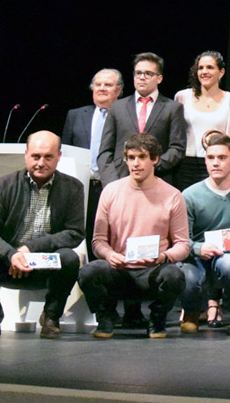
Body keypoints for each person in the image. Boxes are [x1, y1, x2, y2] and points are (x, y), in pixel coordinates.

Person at [80, 133, 191, 338]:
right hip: (119, 270)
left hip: (152, 271)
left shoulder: (172, 195)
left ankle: (157, 318)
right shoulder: (111, 191)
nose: (135, 163)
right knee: (89, 272)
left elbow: (183, 244)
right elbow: (98, 241)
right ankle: (104, 317)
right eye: (131, 158)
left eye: (141, 157)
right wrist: (110, 254)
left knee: (174, 276)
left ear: (155, 159)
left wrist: (163, 257)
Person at [0, 131, 84, 339]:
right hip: (7, 261)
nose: (41, 163)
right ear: (26, 154)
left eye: (48, 157)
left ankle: (51, 317)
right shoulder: (4, 184)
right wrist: (11, 254)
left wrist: (31, 248)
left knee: (69, 258)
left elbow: (75, 233)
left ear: (59, 157)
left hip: (44, 260)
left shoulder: (73, 187)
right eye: (36, 156)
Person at [177, 133, 230, 336]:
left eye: (222, 158)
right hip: (197, 254)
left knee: (229, 264)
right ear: (205, 161)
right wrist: (198, 248)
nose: (216, 163)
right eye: (211, 158)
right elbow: (180, 239)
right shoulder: (189, 195)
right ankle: (191, 313)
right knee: (187, 274)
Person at [98, 52, 186, 186]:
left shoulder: (173, 108)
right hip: (120, 180)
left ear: (159, 78)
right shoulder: (117, 107)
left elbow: (177, 148)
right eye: (138, 73)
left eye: (148, 74)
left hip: (157, 181)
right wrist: (111, 183)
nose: (142, 77)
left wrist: (150, 166)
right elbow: (105, 151)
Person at [63, 68, 124, 256]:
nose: (102, 88)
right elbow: (65, 150)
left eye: (108, 85)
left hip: (112, 187)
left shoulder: (125, 117)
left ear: (119, 90)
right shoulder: (75, 115)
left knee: (110, 235)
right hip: (80, 187)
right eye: (98, 84)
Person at [173, 51, 230, 191]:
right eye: (201, 68)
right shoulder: (182, 97)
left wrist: (227, 156)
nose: (204, 72)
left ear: (221, 72)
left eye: (210, 67)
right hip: (184, 165)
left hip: (215, 164)